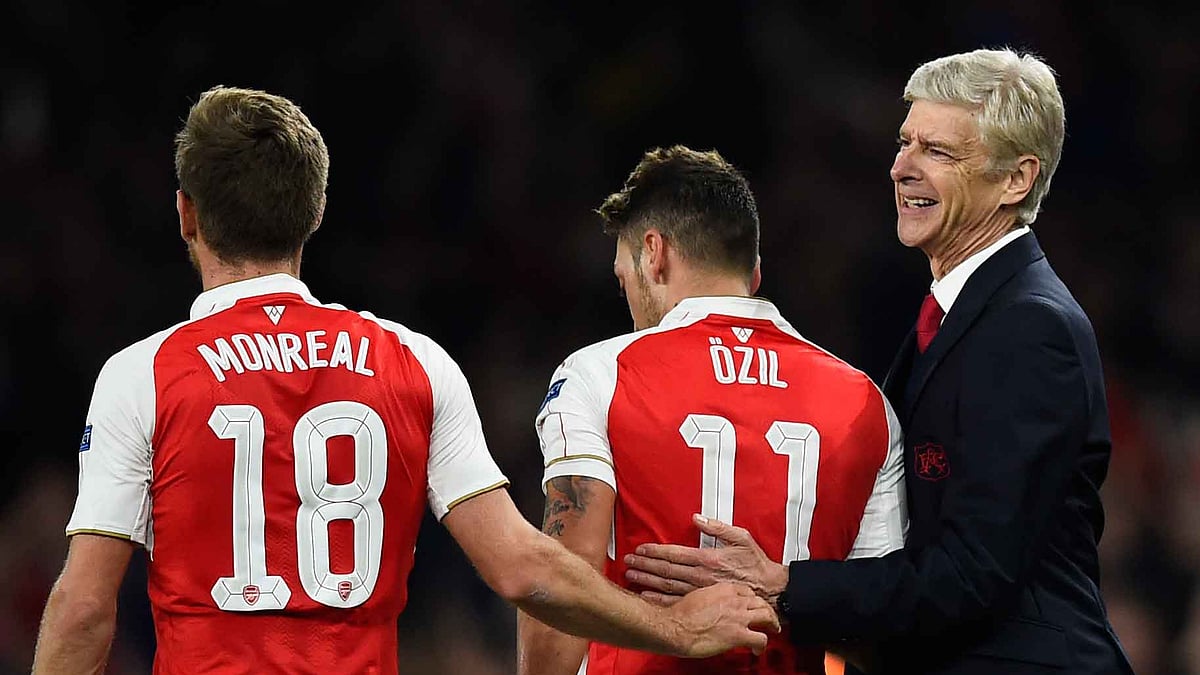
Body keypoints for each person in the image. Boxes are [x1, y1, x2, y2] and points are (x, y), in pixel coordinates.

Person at [30, 86, 779, 674]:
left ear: (186, 214)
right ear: (314, 212)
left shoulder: (145, 374)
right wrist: (676, 627)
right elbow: (523, 568)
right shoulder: (412, 360)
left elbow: (85, 609)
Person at [623, 48, 1135, 674]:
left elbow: (975, 571)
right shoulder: (959, 315)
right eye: (904, 142)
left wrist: (787, 584)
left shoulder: (1032, 327)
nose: (901, 168)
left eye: (938, 152)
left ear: (1016, 179)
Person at [516, 145, 907, 675]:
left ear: (654, 254)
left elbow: (558, 581)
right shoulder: (865, 405)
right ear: (755, 272)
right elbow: (885, 626)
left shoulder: (600, 374)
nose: (628, 301)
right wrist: (783, 599)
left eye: (623, 278)